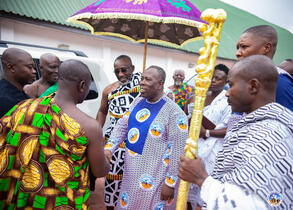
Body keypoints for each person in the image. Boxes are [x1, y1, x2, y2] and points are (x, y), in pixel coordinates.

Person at [178, 55, 293, 209]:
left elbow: (265, 203)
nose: (227, 93)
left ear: (253, 86)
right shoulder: (258, 126)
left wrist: (202, 179)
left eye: (231, 85)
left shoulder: (267, 136)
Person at [0, 59, 110, 209]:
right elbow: (99, 170)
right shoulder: (90, 126)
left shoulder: (23, 108)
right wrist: (106, 157)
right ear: (82, 85)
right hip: (63, 202)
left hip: (25, 200)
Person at [104, 66, 188, 209]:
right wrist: (109, 148)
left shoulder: (175, 113)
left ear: (160, 84)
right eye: (142, 78)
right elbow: (122, 125)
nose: (141, 82)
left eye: (147, 79)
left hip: (156, 179)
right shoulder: (137, 101)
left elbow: (178, 151)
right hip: (131, 175)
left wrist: (170, 183)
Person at [96, 55, 141, 209]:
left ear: (133, 69)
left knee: (134, 177)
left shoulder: (143, 86)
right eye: (117, 71)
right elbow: (102, 111)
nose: (121, 74)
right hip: (114, 140)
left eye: (124, 70)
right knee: (112, 177)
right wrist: (97, 133)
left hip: (136, 138)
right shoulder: (109, 90)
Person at [184, 64, 231, 209]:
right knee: (187, 191)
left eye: (218, 78)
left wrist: (206, 132)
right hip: (194, 147)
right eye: (212, 77)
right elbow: (186, 118)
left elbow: (229, 129)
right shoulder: (199, 97)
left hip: (213, 151)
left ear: (226, 82)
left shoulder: (227, 100)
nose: (214, 80)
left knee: (205, 195)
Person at [236, 25, 293, 111]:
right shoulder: (247, 78)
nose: (237, 53)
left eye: (244, 46)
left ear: (266, 48)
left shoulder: (279, 83)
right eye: (238, 48)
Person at [0, 48, 36, 118]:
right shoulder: (5, 100)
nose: (34, 71)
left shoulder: (19, 92)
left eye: (34, 68)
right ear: (11, 68)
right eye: (30, 67)